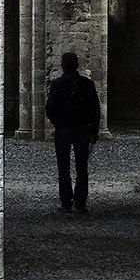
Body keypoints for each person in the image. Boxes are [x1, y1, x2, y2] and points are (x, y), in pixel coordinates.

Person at [45, 51, 101, 214]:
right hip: (82, 129)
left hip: (63, 130)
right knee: (82, 167)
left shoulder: (57, 84)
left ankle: (66, 202)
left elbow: (49, 109)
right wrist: (94, 131)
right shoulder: (87, 84)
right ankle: (81, 203)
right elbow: (95, 109)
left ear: (62, 66)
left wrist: (59, 123)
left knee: (63, 167)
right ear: (77, 65)